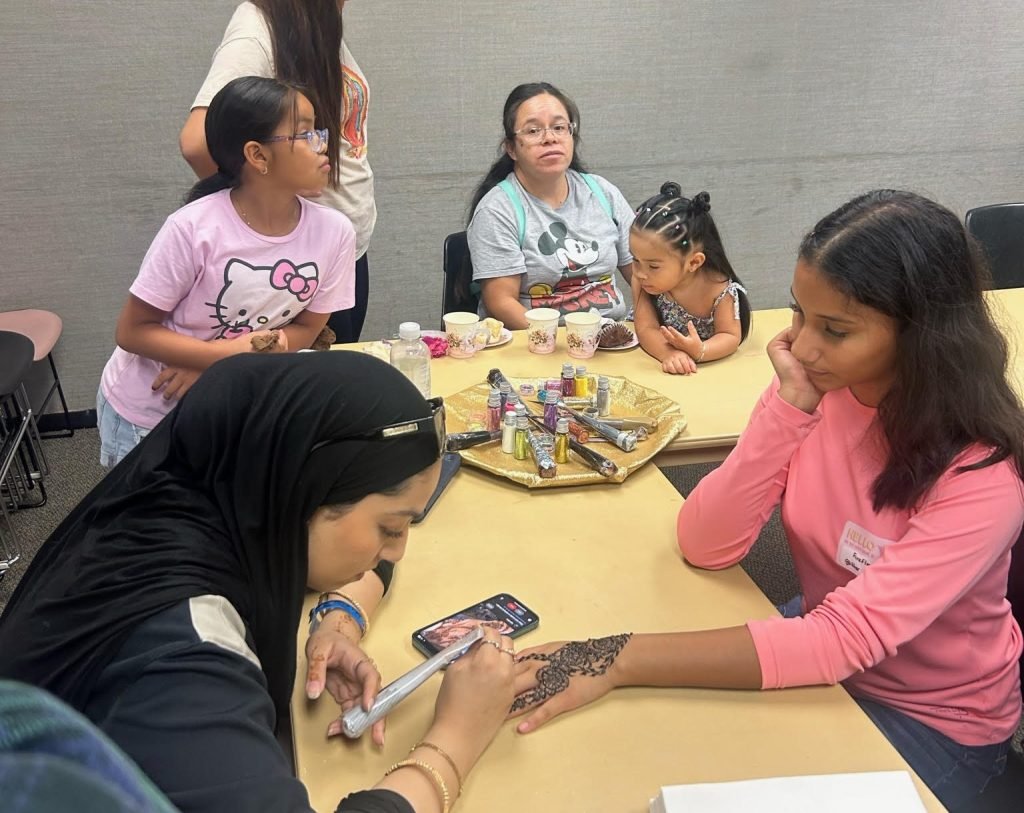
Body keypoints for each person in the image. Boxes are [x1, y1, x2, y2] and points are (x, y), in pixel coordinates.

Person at [509, 190, 1024, 812]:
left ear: (922, 334)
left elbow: (843, 640)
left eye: (835, 330)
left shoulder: (980, 473)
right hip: (822, 636)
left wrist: (616, 657)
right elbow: (704, 544)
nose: (801, 347)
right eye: (800, 314)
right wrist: (788, 412)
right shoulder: (821, 387)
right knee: (648, 744)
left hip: (931, 718)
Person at [0, 352, 517, 813]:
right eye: (391, 528)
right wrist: (455, 739)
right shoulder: (181, 662)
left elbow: (361, 558)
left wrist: (338, 619)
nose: (397, 550)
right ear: (305, 491)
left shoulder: (204, 499)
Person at [98, 76, 354, 468]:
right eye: (304, 134)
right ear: (258, 155)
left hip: (236, 402)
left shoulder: (334, 232)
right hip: (153, 413)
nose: (323, 145)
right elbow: (132, 332)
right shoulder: (193, 229)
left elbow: (308, 328)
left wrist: (217, 365)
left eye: (318, 131)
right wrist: (218, 360)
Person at [180, 0, 374, 344]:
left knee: (334, 363)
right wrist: (267, 209)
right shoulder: (258, 29)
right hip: (297, 259)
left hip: (343, 245)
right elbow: (198, 143)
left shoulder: (319, 20)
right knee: (291, 369)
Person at [466, 82, 635, 327]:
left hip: (611, 336)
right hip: (537, 340)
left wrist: (647, 327)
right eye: (533, 130)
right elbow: (501, 303)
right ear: (511, 148)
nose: (550, 138)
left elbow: (644, 276)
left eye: (559, 127)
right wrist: (561, 341)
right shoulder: (497, 210)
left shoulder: (603, 193)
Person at [631, 183, 751, 375]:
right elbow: (646, 328)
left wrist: (701, 350)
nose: (640, 273)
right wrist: (668, 354)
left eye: (653, 266)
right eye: (635, 259)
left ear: (694, 262)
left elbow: (730, 336)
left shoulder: (719, 290)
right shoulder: (644, 281)